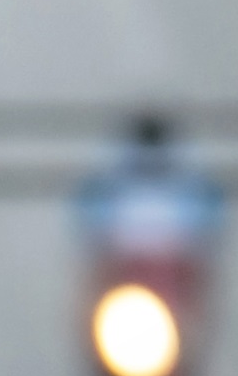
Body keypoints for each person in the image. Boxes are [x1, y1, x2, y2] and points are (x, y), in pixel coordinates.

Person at [74, 109, 222, 269]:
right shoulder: (105, 190)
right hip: (122, 274)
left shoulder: (194, 191)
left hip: (170, 270)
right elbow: (93, 238)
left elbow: (203, 240)